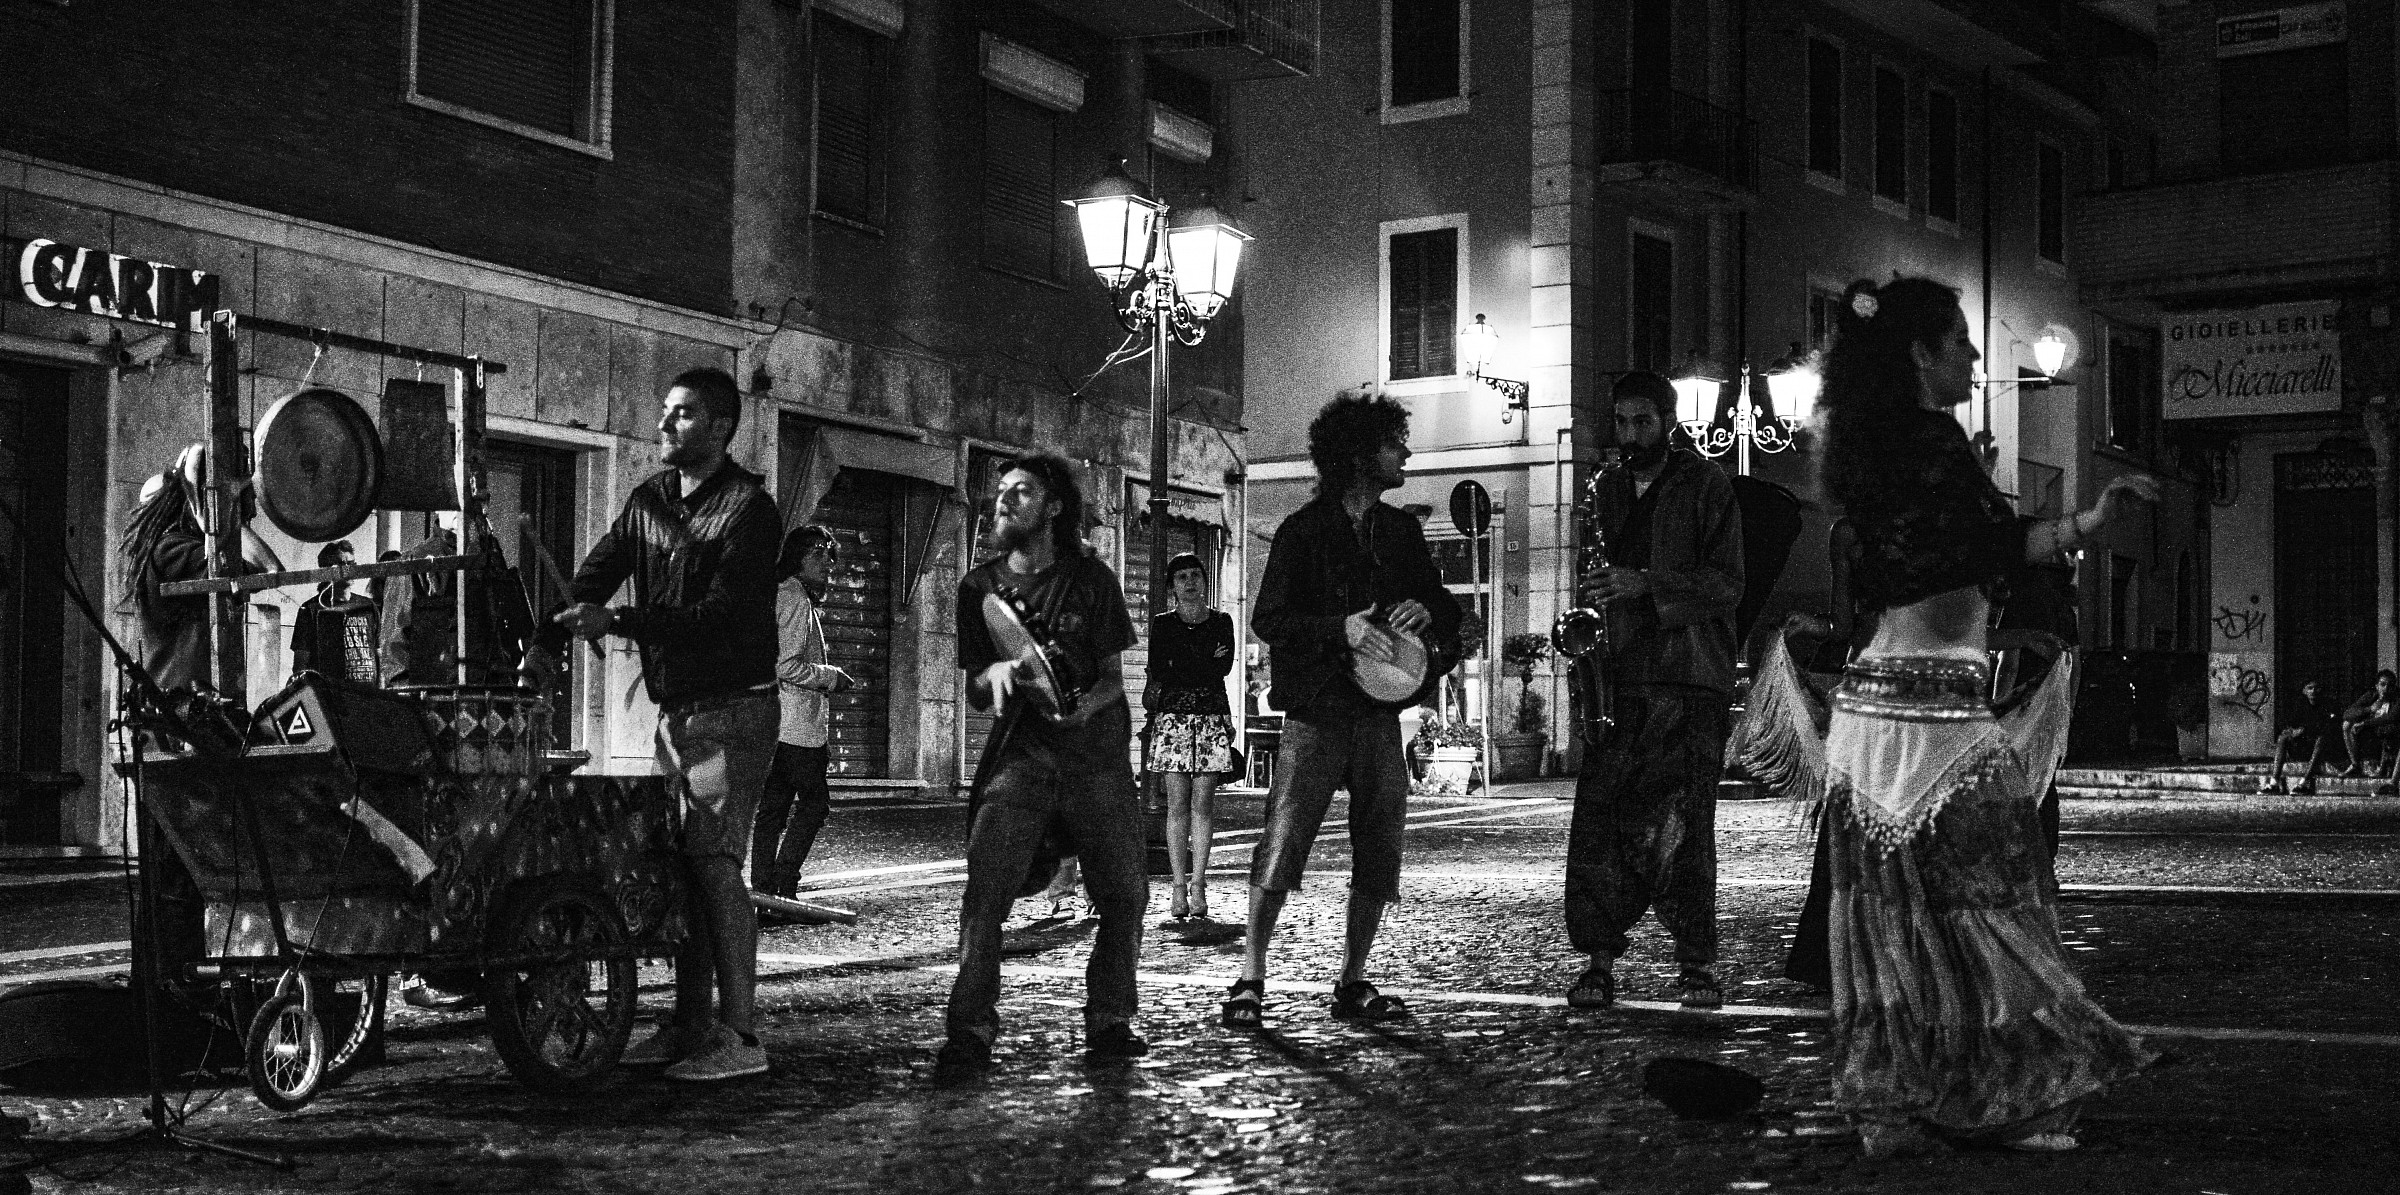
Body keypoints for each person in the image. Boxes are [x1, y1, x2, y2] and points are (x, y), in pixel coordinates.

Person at [1814, 275, 2153, 1157]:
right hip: (1930, 713)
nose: (1972, 355)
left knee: (1892, 914)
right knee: (1994, 896)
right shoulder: (1929, 439)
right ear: (1922, 354)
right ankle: (2014, 1092)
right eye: (1960, 340)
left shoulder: (1871, 445)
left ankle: (1893, 1099)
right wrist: (2075, 522)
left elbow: (1943, 552)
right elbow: (1964, 554)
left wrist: (2061, 524)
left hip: (1872, 716)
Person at [543, 366, 780, 1083]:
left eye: (681, 416)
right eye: (664, 414)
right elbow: (598, 568)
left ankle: (740, 1035)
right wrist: (545, 640)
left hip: (735, 708)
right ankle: (689, 1023)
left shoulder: (749, 510)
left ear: (720, 427)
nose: (664, 426)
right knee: (684, 865)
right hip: (679, 711)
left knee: (714, 862)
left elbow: (719, 618)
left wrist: (617, 620)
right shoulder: (649, 500)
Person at [1223, 391, 1461, 1031]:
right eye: (1394, 442)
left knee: (1380, 843)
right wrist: (1340, 630)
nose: (1406, 451)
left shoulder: (1402, 530)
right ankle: (1250, 975)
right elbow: (1269, 618)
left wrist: (1427, 613)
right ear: (1360, 456)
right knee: (1286, 835)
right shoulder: (1303, 531)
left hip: (1379, 714)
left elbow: (1446, 613)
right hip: (1318, 710)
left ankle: (1354, 977)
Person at [940, 451, 1148, 1071]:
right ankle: (969, 1032)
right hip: (1021, 760)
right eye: (1001, 491)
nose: (1003, 501)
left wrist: (1085, 709)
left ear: (1054, 508)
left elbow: (1113, 679)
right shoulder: (978, 588)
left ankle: (1111, 1020)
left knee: (1124, 896)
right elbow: (977, 687)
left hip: (1097, 762)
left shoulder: (1093, 579)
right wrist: (996, 674)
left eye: (1021, 491)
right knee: (986, 896)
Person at [1561, 371, 1744, 1012]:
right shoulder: (1603, 488)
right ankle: (1599, 961)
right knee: (1599, 825)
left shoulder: (1707, 486)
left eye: (1643, 422)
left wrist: (1646, 584)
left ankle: (1695, 965)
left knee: (1685, 827)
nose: (1631, 435)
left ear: (1668, 420)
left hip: (1687, 679)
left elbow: (1728, 586)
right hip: (1616, 677)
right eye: (1622, 422)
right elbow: (1592, 575)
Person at [751, 524, 853, 917]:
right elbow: (787, 665)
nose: (828, 563)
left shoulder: (782, 595)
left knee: (773, 807)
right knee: (814, 804)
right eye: (819, 554)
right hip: (796, 728)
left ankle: (764, 895)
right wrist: (832, 676)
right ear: (797, 557)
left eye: (830, 554)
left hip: (776, 723)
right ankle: (784, 886)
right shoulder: (793, 597)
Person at [1146, 552, 1236, 923]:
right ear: (1172, 586)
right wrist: (1200, 660)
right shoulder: (1162, 624)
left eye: (1195, 575)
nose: (1190, 582)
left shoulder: (1222, 621)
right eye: (1181, 577)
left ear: (1204, 580)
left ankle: (1199, 884)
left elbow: (1224, 666)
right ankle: (1178, 887)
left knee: (1204, 806)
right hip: (1174, 720)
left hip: (1211, 718)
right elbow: (1164, 668)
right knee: (1176, 806)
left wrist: (1188, 662)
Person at [2265, 679, 2340, 794]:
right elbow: (2287, 724)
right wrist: (2292, 731)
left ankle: (2304, 782)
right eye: (2310, 688)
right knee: (2282, 738)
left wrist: (2304, 729)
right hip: (2303, 746)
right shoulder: (2299, 705)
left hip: (2321, 749)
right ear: (2304, 691)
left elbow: (2328, 725)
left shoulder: (2327, 705)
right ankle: (2274, 783)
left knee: (2322, 739)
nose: (2313, 691)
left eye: (2316, 688)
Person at [2338, 670, 2398, 780]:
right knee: (2347, 725)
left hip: (2390, 731)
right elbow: (2347, 713)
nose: (2386, 688)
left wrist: (2365, 723)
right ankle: (2355, 764)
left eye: (2390, 685)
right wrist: (2369, 709)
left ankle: (2383, 768)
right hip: (2372, 731)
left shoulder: (2397, 698)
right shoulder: (2371, 695)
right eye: (2382, 684)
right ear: (2377, 686)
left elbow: (2391, 718)